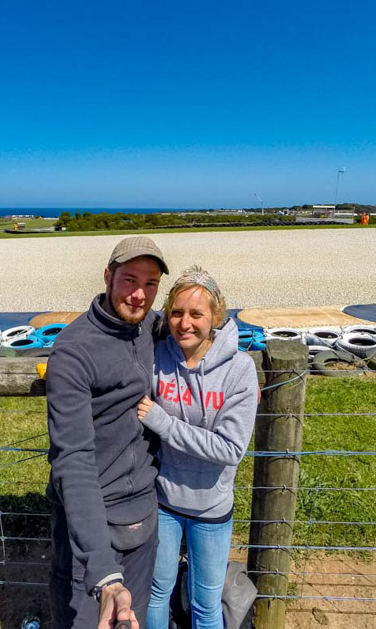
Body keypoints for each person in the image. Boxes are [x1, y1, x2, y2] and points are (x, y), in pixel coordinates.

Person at [46, 236, 170, 629]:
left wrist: (233, 365)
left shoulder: (150, 326)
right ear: (107, 276)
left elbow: (200, 320)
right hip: (91, 525)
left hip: (144, 515)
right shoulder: (73, 351)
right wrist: (102, 572)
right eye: (129, 279)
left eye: (151, 284)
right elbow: (74, 459)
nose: (139, 295)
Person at [137, 266, 258, 629]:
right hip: (163, 502)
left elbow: (230, 449)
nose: (184, 323)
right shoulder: (157, 357)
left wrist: (162, 421)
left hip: (212, 508)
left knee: (206, 602)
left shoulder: (239, 369)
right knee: (157, 591)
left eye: (196, 314)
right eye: (176, 312)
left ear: (216, 317)